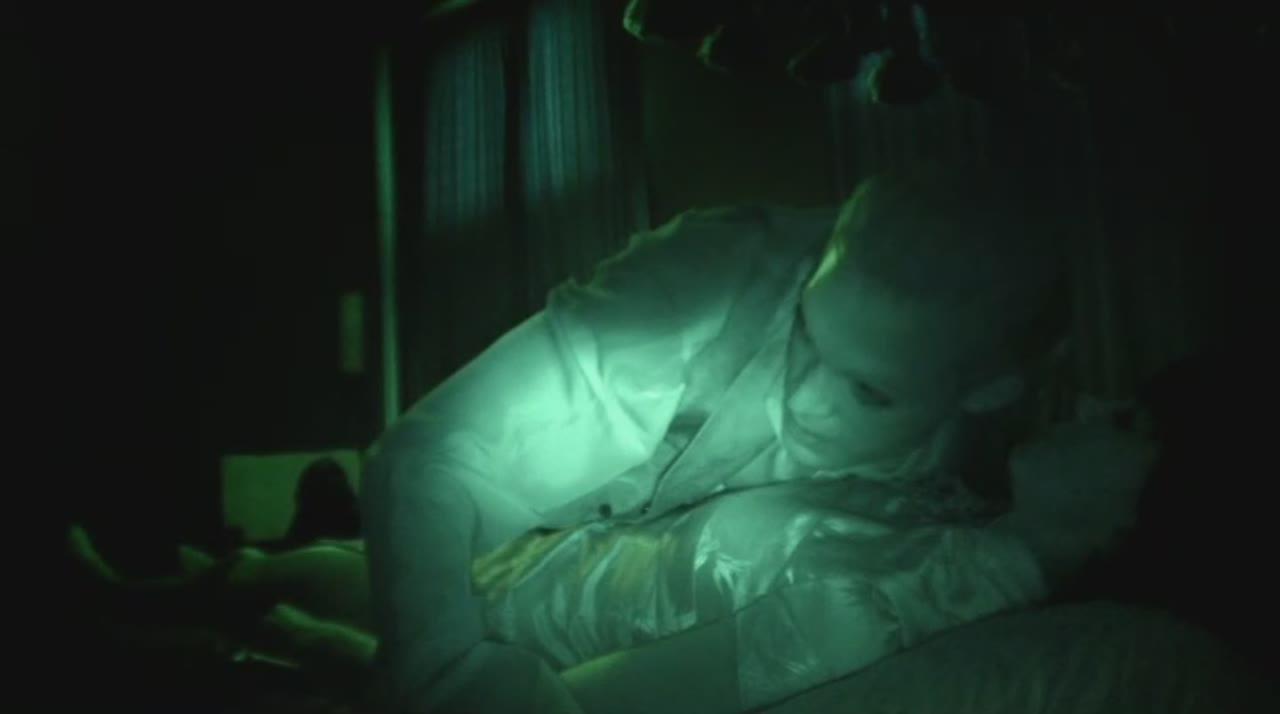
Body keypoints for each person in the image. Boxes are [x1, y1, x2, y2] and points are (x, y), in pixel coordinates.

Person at [360, 163, 1136, 714]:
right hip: (512, 542)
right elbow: (435, 455)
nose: (805, 397)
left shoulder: (1014, 460)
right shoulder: (702, 279)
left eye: (868, 390)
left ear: (988, 391)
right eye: (806, 333)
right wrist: (447, 678)